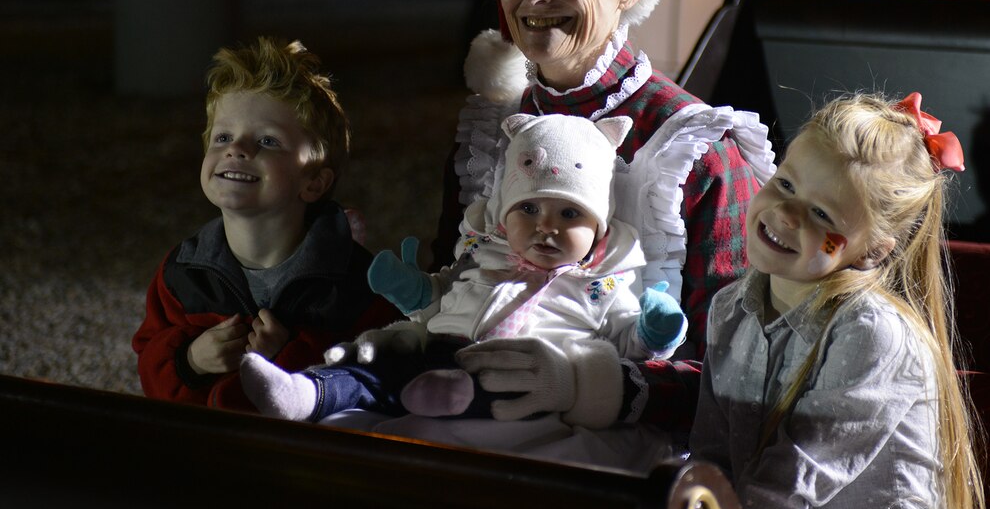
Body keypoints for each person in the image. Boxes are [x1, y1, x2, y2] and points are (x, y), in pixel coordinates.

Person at [434, 0, 776, 365]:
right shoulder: (491, 127)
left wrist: (604, 396)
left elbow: (732, 361)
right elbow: (449, 287)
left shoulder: (692, 147)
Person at [688, 92, 988, 509]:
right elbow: (712, 454)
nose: (786, 215)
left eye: (823, 215)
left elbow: (793, 479)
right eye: (785, 183)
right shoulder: (731, 309)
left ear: (874, 250)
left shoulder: (871, 334)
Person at [239, 112, 688, 426]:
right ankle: (307, 393)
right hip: (442, 348)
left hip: (524, 375)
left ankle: (449, 393)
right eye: (528, 208)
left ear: (599, 228)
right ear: (503, 215)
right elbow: (447, 299)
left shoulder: (601, 283)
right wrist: (417, 292)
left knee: (488, 387)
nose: (545, 227)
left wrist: (655, 329)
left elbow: (627, 341)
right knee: (373, 369)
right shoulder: (485, 256)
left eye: (570, 215)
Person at [132, 37, 396, 411]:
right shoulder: (182, 273)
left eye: (268, 141)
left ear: (314, 182)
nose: (236, 149)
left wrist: (289, 359)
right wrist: (190, 361)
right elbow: (149, 368)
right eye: (223, 136)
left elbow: (382, 380)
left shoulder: (358, 283)